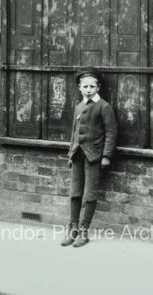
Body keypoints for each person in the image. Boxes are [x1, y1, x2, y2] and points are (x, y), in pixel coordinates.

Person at [60, 68, 117, 248]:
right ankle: (73, 229)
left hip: (94, 157)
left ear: (98, 87)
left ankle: (84, 231)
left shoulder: (104, 107)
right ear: (79, 87)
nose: (88, 89)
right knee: (75, 193)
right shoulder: (79, 106)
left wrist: (106, 155)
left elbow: (111, 132)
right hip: (78, 155)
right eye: (85, 86)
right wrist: (70, 154)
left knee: (89, 195)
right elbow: (74, 133)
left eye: (92, 86)